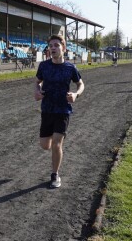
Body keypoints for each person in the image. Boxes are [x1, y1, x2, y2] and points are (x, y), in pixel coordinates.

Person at [34, 35, 85, 189]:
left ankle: (55, 175)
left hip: (63, 110)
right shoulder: (44, 66)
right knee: (45, 145)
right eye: (51, 45)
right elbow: (37, 82)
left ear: (64, 48)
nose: (53, 48)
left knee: (57, 144)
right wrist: (37, 92)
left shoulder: (71, 68)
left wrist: (76, 94)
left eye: (56, 45)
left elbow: (81, 84)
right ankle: (51, 146)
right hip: (47, 109)